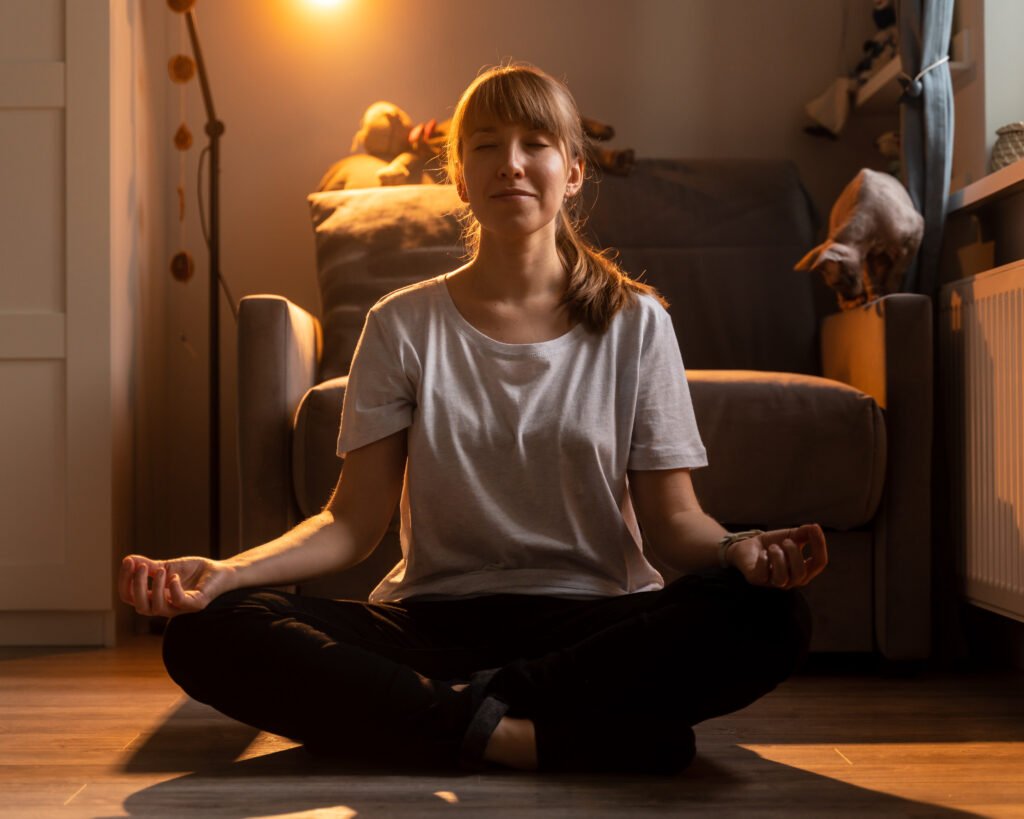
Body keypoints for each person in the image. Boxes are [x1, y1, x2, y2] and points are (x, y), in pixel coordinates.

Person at [119, 62, 828, 776]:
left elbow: (676, 523)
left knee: (773, 615)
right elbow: (350, 524)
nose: (511, 164)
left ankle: (442, 717)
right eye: (486, 145)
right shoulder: (400, 324)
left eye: (535, 143)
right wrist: (225, 572)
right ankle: (534, 733)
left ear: (574, 170)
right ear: (459, 177)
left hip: (593, 624)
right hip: (436, 620)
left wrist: (741, 549)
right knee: (205, 630)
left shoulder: (635, 322)